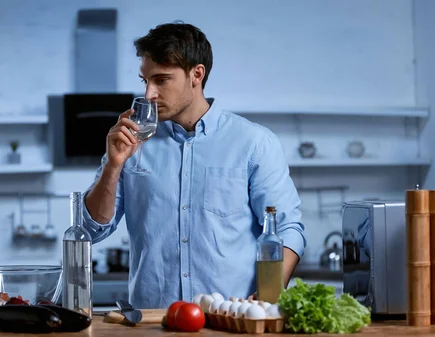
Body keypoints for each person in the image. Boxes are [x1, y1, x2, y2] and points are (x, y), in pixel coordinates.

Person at [81, 21, 306, 309]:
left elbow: (287, 228)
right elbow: (92, 230)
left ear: (196, 75)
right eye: (145, 81)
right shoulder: (132, 143)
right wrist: (113, 166)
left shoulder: (254, 143)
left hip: (229, 320)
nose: (149, 94)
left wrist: (269, 292)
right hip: (152, 322)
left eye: (161, 80)